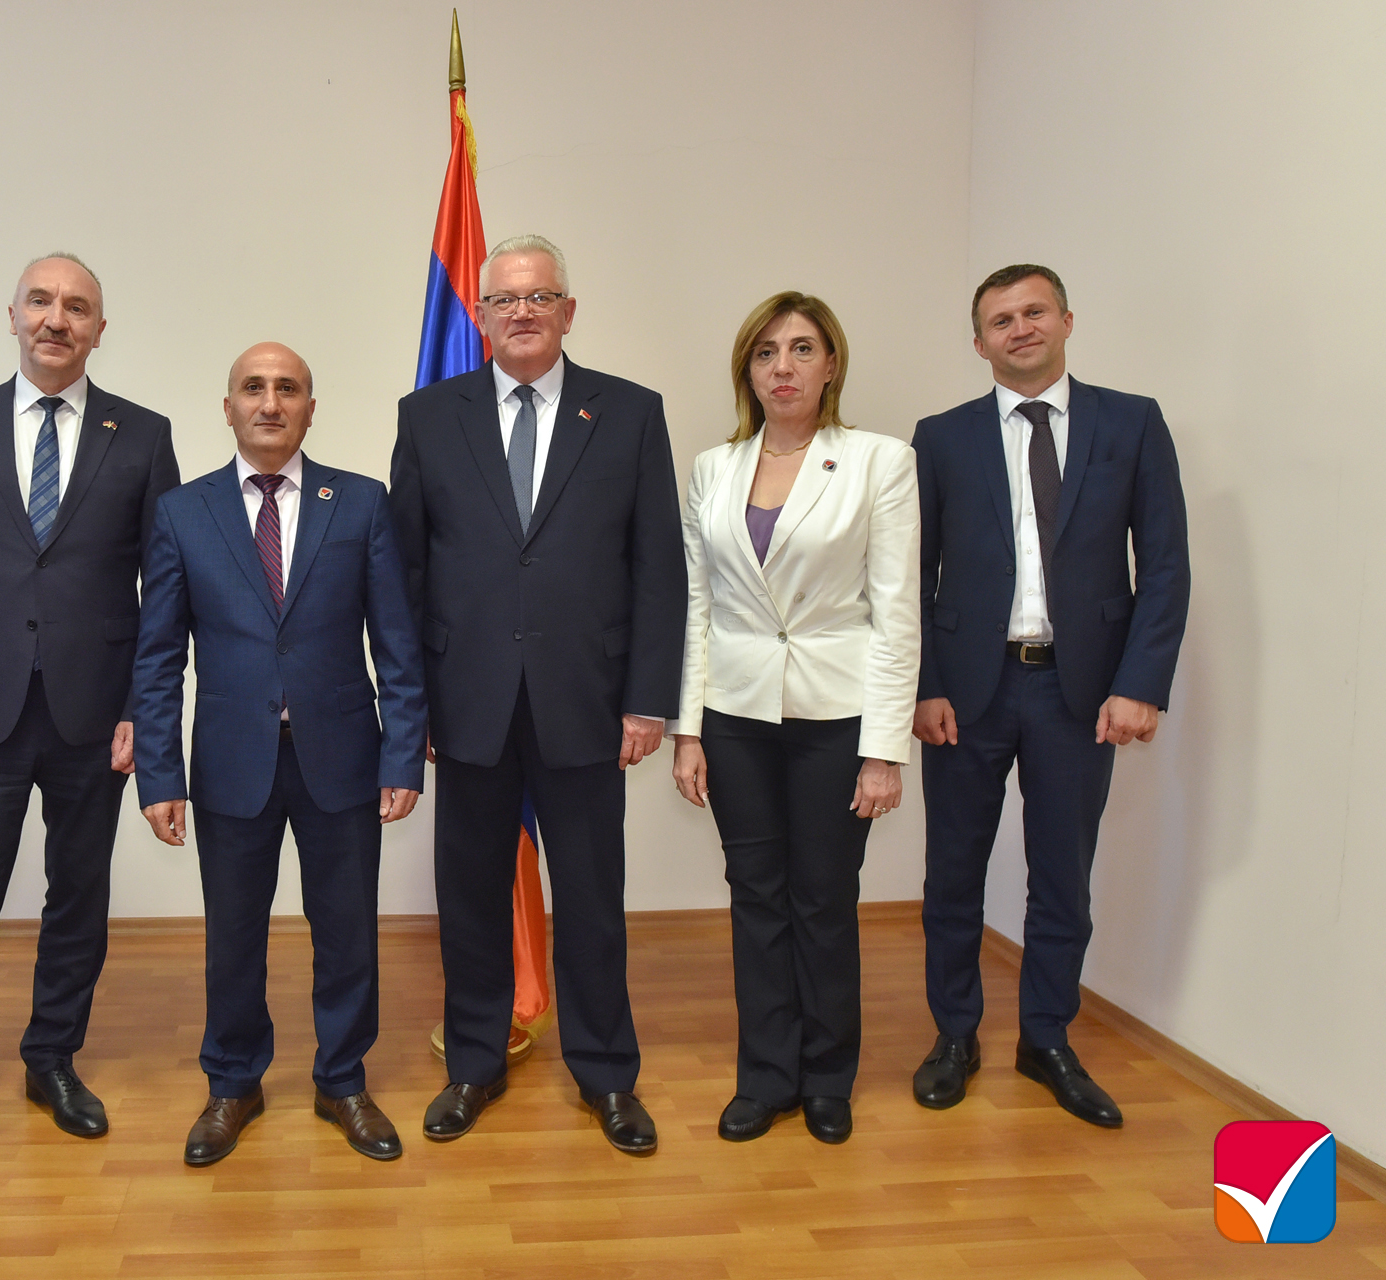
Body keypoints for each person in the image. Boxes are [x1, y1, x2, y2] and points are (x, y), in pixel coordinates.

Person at [0, 253, 180, 1191]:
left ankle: (52, 1056)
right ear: (10, 315)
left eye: (77, 307)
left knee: (77, 898)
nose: (57, 319)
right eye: (41, 302)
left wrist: (144, 712)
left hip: (96, 714)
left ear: (100, 329)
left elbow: (166, 592)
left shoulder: (144, 435)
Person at [390, 234, 686, 1154]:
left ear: (568, 311)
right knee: (470, 897)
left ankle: (607, 1075)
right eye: (505, 299)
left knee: (593, 900)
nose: (522, 311)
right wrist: (413, 705)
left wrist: (648, 698)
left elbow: (659, 567)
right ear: (479, 315)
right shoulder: (428, 415)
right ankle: (474, 1063)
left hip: (588, 702)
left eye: (540, 296)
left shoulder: (630, 412)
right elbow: (406, 572)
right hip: (466, 700)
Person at [131, 343, 428, 1166]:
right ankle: (233, 1083)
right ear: (227, 407)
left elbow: (397, 645)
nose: (270, 402)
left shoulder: (360, 503)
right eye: (254, 388)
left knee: (347, 932)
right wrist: (160, 773)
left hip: (343, 756)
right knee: (233, 934)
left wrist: (403, 755)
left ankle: (343, 1080)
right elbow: (157, 657)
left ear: (310, 408)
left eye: (288, 388)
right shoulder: (183, 512)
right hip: (232, 761)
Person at [911, 265, 1189, 1127]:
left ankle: (1046, 1040)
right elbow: (911, 574)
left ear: (1067, 320)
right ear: (979, 343)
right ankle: (955, 1035)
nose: (1020, 328)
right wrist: (923, 686)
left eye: (1034, 311)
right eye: (1001, 320)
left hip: (1081, 692)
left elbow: (1165, 565)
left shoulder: (1132, 423)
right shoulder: (941, 437)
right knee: (953, 875)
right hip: (968, 693)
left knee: (1063, 879)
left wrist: (1138, 684)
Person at [668, 293, 919, 1145]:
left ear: (831, 364)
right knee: (755, 895)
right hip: (735, 713)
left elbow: (896, 614)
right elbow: (698, 604)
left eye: (803, 349)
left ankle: (828, 1077)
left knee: (824, 897)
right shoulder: (713, 467)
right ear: (747, 370)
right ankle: (766, 1076)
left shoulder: (880, 461)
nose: (784, 366)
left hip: (837, 715)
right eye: (767, 352)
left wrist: (884, 751)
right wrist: (688, 731)